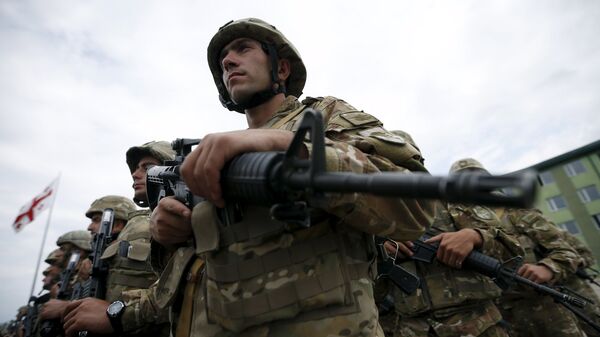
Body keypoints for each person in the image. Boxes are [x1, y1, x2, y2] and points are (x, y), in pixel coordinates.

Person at [150, 17, 434, 336]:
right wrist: (168, 235)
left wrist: (287, 145)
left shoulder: (323, 116)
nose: (228, 61)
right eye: (223, 59)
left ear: (281, 69)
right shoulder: (217, 154)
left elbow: (415, 207)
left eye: (243, 48)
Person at [375, 155, 522, 337]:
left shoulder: (450, 199)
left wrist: (475, 236)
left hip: (478, 325)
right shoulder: (366, 217)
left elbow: (513, 247)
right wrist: (378, 251)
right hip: (409, 328)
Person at [451, 158, 587, 337]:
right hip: (498, 318)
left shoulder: (520, 212)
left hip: (546, 310)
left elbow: (568, 252)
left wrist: (548, 268)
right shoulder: (456, 223)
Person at [63, 142, 175, 337]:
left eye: (147, 167)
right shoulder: (139, 222)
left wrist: (114, 315)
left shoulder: (183, 220)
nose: (134, 174)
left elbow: (182, 291)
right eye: (136, 168)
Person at [558, 229, 600, 336]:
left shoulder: (555, 232)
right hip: (546, 301)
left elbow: (587, 256)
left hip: (577, 291)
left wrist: (566, 264)